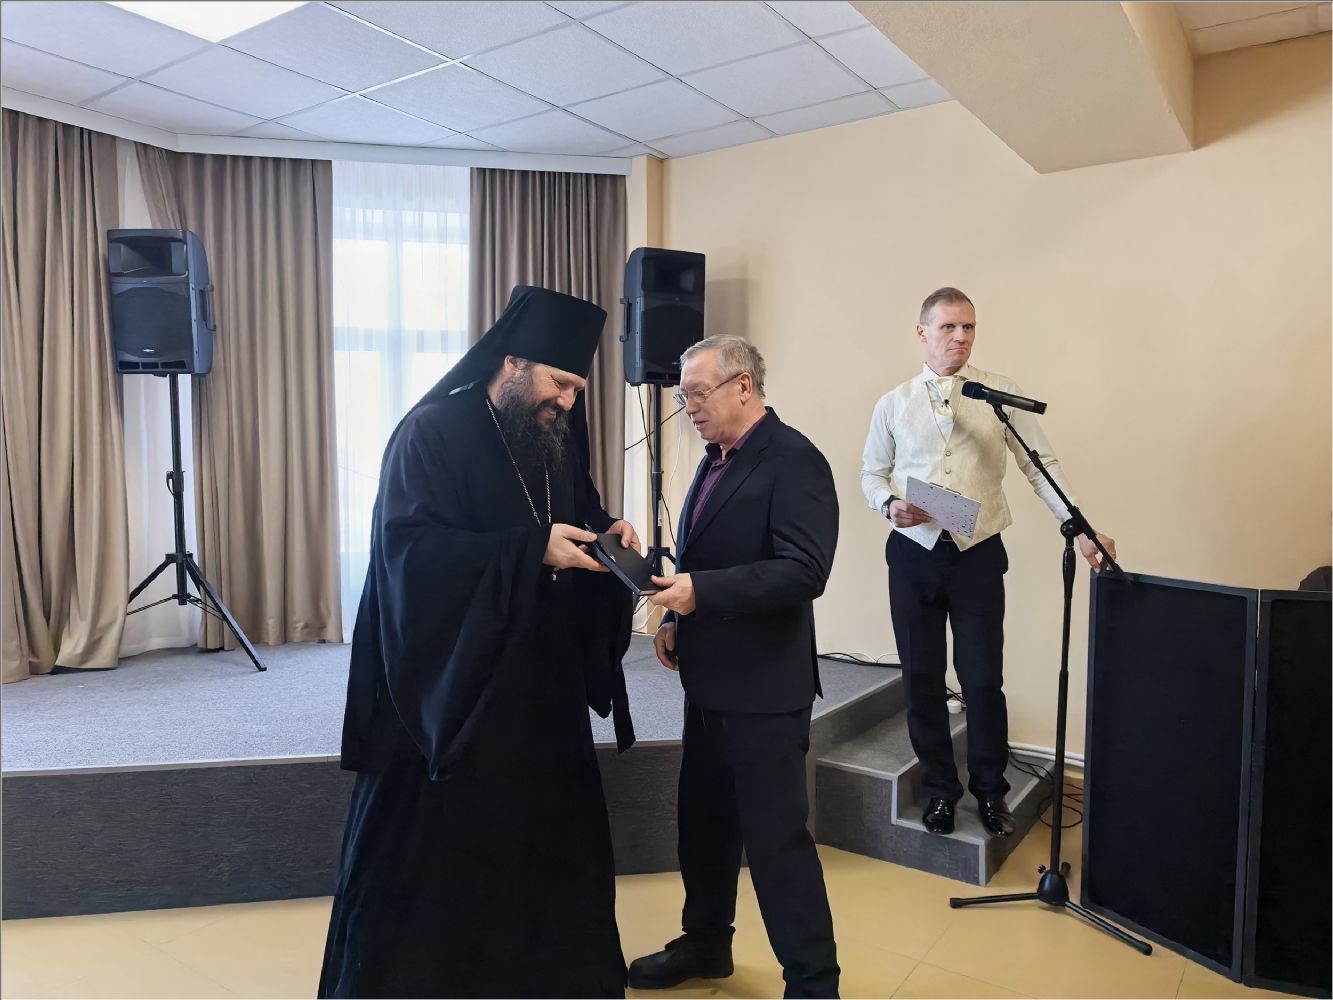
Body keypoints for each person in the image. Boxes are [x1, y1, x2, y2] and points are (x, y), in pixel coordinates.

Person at [319, 285, 641, 999]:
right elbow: (409, 555)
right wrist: (529, 552)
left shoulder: (551, 437)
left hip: (540, 695)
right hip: (450, 699)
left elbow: (576, 514)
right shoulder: (430, 432)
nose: (568, 403)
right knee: (436, 878)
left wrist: (608, 534)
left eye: (577, 390)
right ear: (514, 361)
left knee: (549, 859)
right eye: (560, 384)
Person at [860, 287, 1115, 839]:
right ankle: (940, 790)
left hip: (977, 554)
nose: (960, 337)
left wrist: (1080, 526)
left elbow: (1039, 465)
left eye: (969, 327)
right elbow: (871, 473)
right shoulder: (893, 403)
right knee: (922, 678)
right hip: (913, 554)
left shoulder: (1000, 393)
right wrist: (888, 505)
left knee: (982, 679)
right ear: (922, 332)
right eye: (948, 327)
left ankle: (991, 791)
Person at [629, 336, 841, 999]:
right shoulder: (716, 459)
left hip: (765, 690)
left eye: (697, 393)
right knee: (704, 826)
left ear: (743, 386)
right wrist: (677, 618)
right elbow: (706, 556)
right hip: (709, 682)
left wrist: (701, 593)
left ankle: (814, 983)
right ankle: (706, 943)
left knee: (777, 845)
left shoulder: (795, 460)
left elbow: (803, 570)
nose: (688, 407)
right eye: (683, 395)